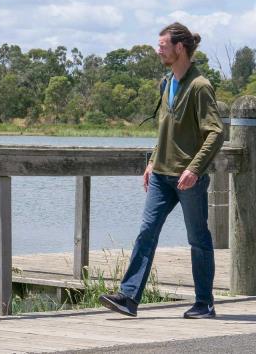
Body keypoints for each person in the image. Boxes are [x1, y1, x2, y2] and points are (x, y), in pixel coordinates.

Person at [99, 22, 224, 319]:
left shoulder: (200, 86)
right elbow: (164, 130)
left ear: (179, 48)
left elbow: (216, 133)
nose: (158, 51)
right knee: (146, 232)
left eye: (163, 46)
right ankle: (129, 297)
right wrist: (154, 160)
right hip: (160, 176)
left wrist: (194, 169)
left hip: (187, 179)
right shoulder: (166, 82)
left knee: (198, 239)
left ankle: (204, 303)